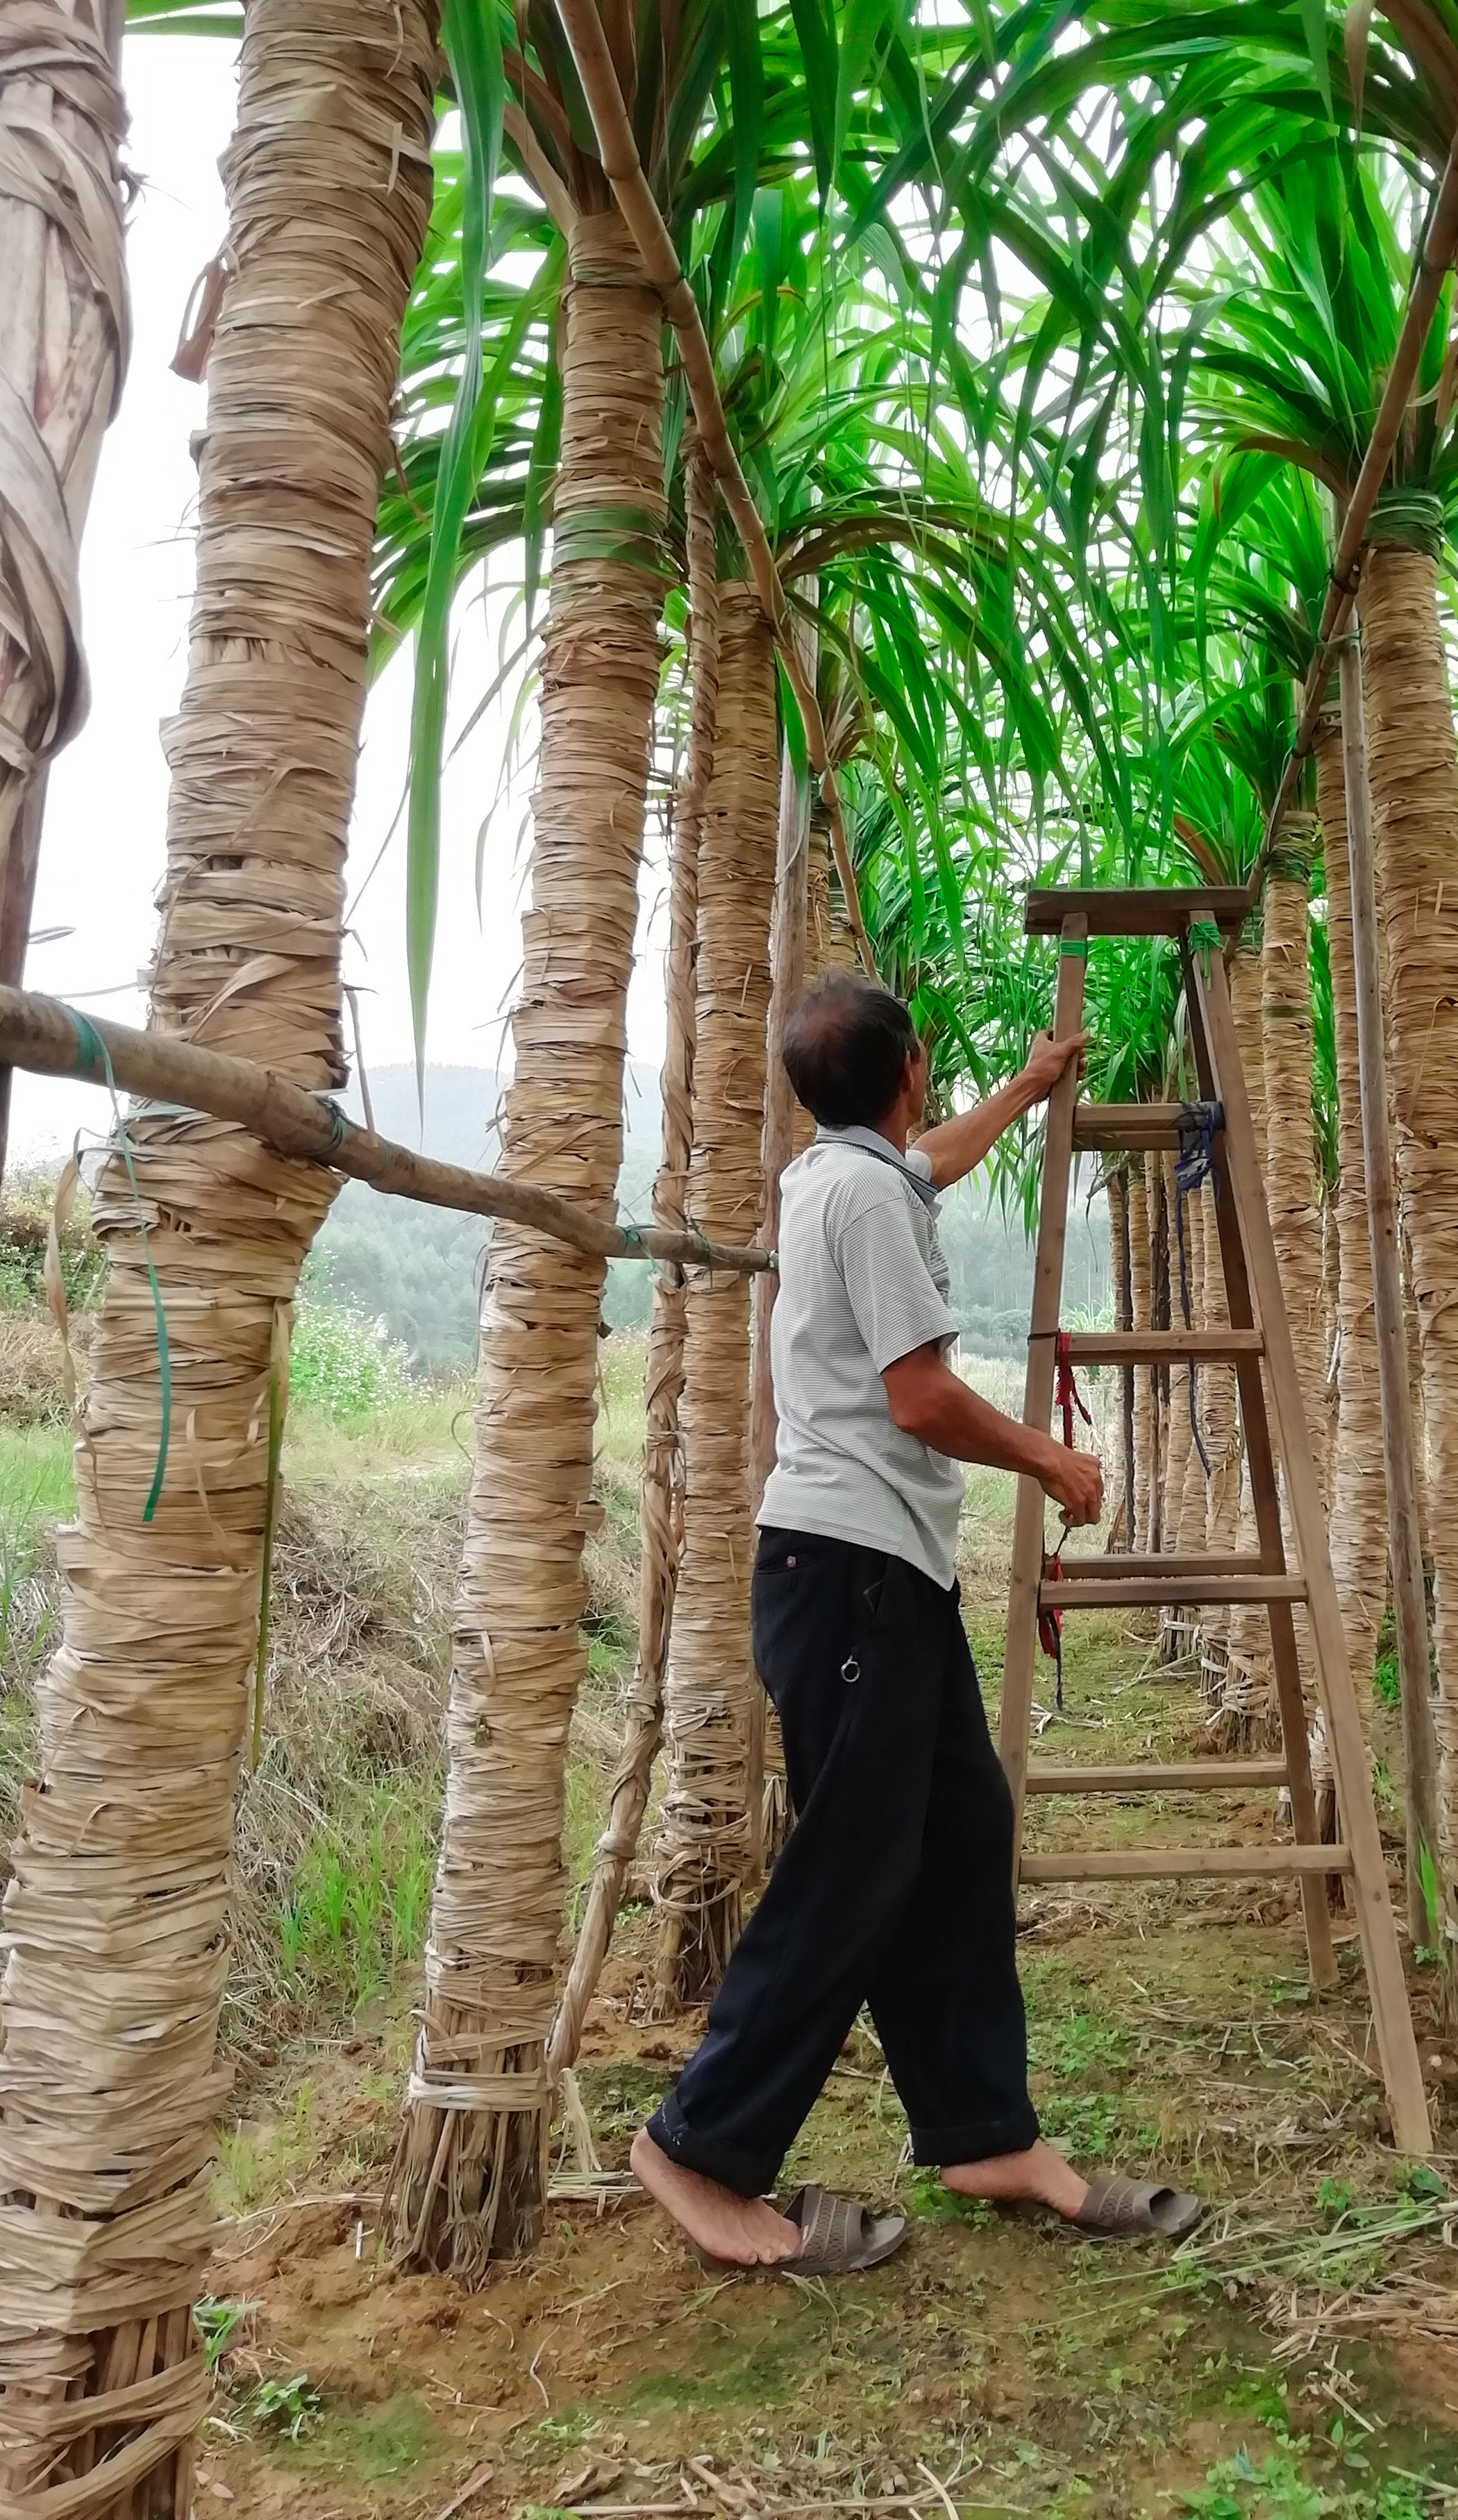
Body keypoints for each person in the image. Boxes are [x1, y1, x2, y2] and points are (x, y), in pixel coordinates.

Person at [630, 972, 1203, 2276]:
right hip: (852, 1577)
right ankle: (698, 2147)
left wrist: (1023, 1090)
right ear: (906, 1068)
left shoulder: (834, 1176)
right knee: (851, 1870)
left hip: (872, 1573)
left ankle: (978, 2128)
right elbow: (922, 1396)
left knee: (958, 1827)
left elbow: (923, 1164)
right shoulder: (867, 1197)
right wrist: (1050, 1461)